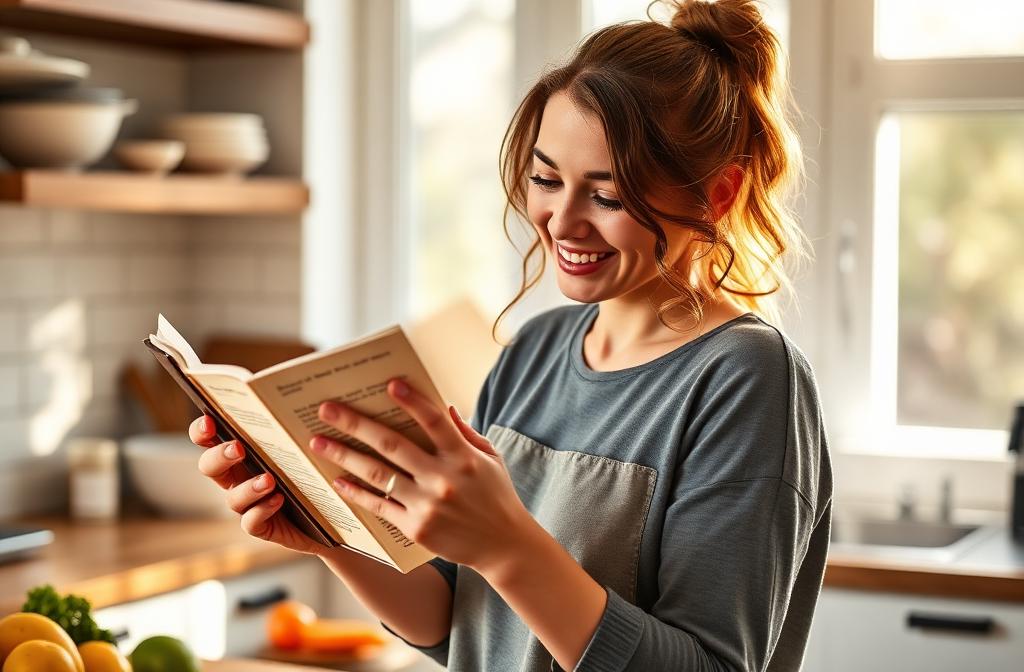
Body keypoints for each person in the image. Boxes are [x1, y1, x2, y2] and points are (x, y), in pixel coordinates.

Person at [190, 0, 832, 669]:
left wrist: (506, 543)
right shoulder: (536, 350)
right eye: (546, 179)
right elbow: (457, 619)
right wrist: (328, 532)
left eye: (608, 197)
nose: (562, 222)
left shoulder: (747, 378)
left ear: (719, 195)